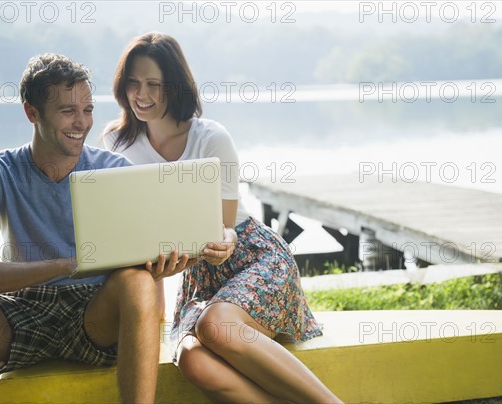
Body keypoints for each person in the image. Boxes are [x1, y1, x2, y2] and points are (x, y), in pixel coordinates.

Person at [103, 32, 342, 403]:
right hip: (198, 277)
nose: (141, 94)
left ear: (175, 87)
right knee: (193, 360)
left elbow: (225, 229)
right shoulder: (117, 144)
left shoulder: (211, 137)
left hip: (251, 256)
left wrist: (223, 240)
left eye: (154, 84)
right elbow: (134, 228)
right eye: (133, 83)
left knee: (216, 326)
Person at [0, 53, 196, 404]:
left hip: (95, 317)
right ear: (32, 113)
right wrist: (65, 265)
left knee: (139, 281)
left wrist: (166, 265)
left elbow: (147, 253)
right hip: (17, 314)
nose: (81, 123)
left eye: (87, 110)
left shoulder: (117, 171)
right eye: (68, 111)